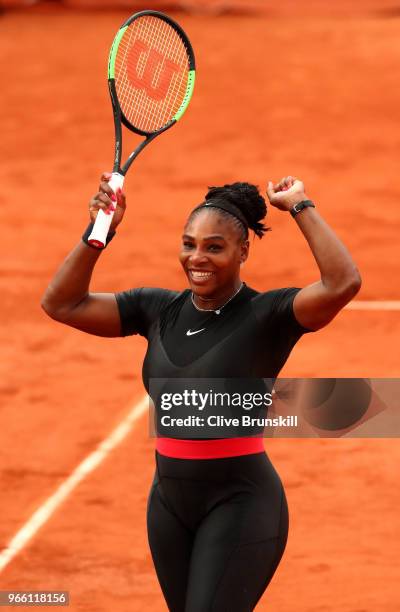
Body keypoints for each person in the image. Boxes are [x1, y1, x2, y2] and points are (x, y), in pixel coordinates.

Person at [41, 173, 361, 611]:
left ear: (243, 250)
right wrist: (101, 230)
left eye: (214, 247)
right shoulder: (156, 310)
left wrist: (300, 206)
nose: (197, 257)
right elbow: (61, 303)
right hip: (169, 506)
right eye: (189, 244)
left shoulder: (268, 315)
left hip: (240, 505)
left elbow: (342, 283)